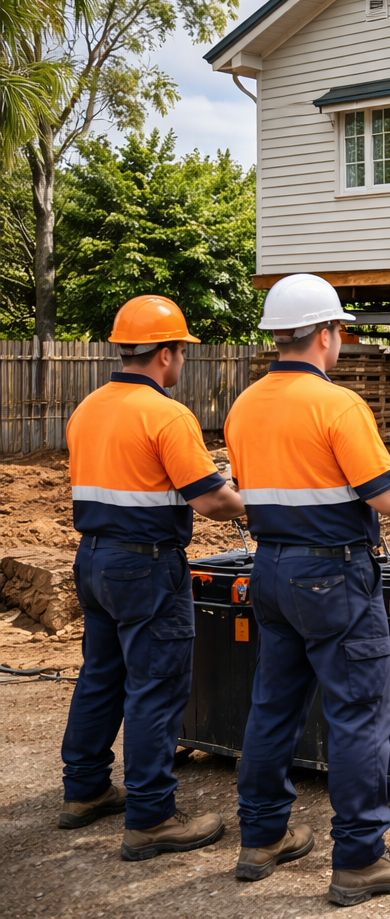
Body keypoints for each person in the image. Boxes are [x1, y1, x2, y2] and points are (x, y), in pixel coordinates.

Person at [224, 273, 390, 906]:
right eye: (340, 330)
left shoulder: (244, 406)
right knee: (357, 713)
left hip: (270, 570)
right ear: (326, 333)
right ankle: (360, 858)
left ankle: (261, 838)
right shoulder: (339, 406)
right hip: (334, 578)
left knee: (273, 707)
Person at [62, 295, 246, 860]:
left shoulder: (89, 408)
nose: (182, 360)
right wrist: (263, 503)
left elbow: (137, 478)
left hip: (94, 560)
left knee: (101, 676)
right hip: (146, 567)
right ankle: (151, 818)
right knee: (156, 687)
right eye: (181, 351)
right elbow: (212, 502)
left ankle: (84, 791)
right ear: (166, 353)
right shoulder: (167, 414)